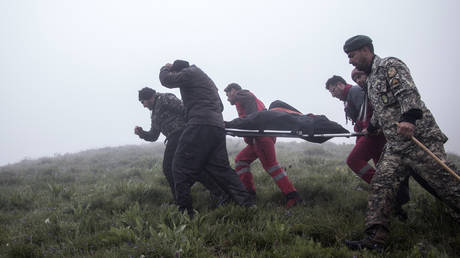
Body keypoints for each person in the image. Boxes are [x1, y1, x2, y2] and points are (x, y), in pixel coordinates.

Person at [343, 35, 460, 250]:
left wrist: (408, 119)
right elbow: (381, 110)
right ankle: (375, 240)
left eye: (352, 56)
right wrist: (370, 129)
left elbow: (408, 94)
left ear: (366, 49)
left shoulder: (389, 65)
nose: (350, 61)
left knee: (446, 184)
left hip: (419, 139)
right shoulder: (369, 81)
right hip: (396, 146)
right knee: (381, 185)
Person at [159, 60, 255, 217]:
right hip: (216, 127)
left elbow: (166, 81)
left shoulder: (189, 73)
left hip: (199, 125)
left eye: (176, 73)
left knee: (179, 167)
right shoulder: (206, 80)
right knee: (222, 169)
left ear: (179, 71)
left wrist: (165, 68)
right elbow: (221, 106)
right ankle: (248, 204)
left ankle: (185, 212)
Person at [134, 87, 228, 206]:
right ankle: (217, 193)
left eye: (143, 102)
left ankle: (182, 200)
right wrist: (142, 133)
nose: (143, 105)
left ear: (150, 97)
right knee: (192, 168)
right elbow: (153, 135)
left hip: (182, 134)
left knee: (169, 167)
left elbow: (185, 110)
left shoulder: (165, 98)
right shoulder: (154, 113)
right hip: (174, 137)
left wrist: (195, 129)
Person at [224, 83, 301, 208]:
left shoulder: (242, 95)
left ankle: (293, 197)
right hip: (258, 138)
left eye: (227, 95)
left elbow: (251, 119)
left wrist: (229, 125)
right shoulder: (249, 98)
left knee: (271, 166)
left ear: (233, 91)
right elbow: (249, 120)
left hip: (261, 139)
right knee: (241, 160)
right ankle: (249, 193)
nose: (227, 99)